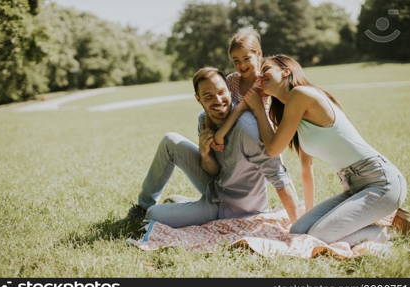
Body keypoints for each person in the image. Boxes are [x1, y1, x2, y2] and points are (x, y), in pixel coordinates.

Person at [217, 54, 408, 245]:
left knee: (318, 236)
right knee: (299, 230)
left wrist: (259, 110)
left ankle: (387, 231)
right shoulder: (295, 115)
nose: (259, 76)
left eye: (266, 69)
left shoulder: (301, 95)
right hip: (354, 186)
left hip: (381, 181)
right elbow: (306, 170)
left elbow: (273, 149)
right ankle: (376, 217)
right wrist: (309, 214)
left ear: (285, 72)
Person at [128, 67, 297, 228]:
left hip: (234, 208)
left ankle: (184, 206)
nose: (218, 100)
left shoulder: (246, 128)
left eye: (221, 92)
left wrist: (298, 224)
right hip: (218, 186)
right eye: (208, 96)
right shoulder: (204, 120)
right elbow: (214, 172)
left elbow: (278, 175)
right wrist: (205, 154)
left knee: (153, 214)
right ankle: (143, 206)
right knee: (170, 141)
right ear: (198, 98)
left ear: (228, 90)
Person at [205, 27, 300, 222]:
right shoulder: (232, 81)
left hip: (262, 138)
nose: (241, 65)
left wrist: (222, 132)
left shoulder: (264, 82)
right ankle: (215, 205)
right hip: (237, 142)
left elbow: (240, 110)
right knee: (231, 180)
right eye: (236, 61)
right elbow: (227, 110)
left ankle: (297, 221)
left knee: (279, 179)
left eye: (246, 58)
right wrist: (215, 132)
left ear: (258, 54)